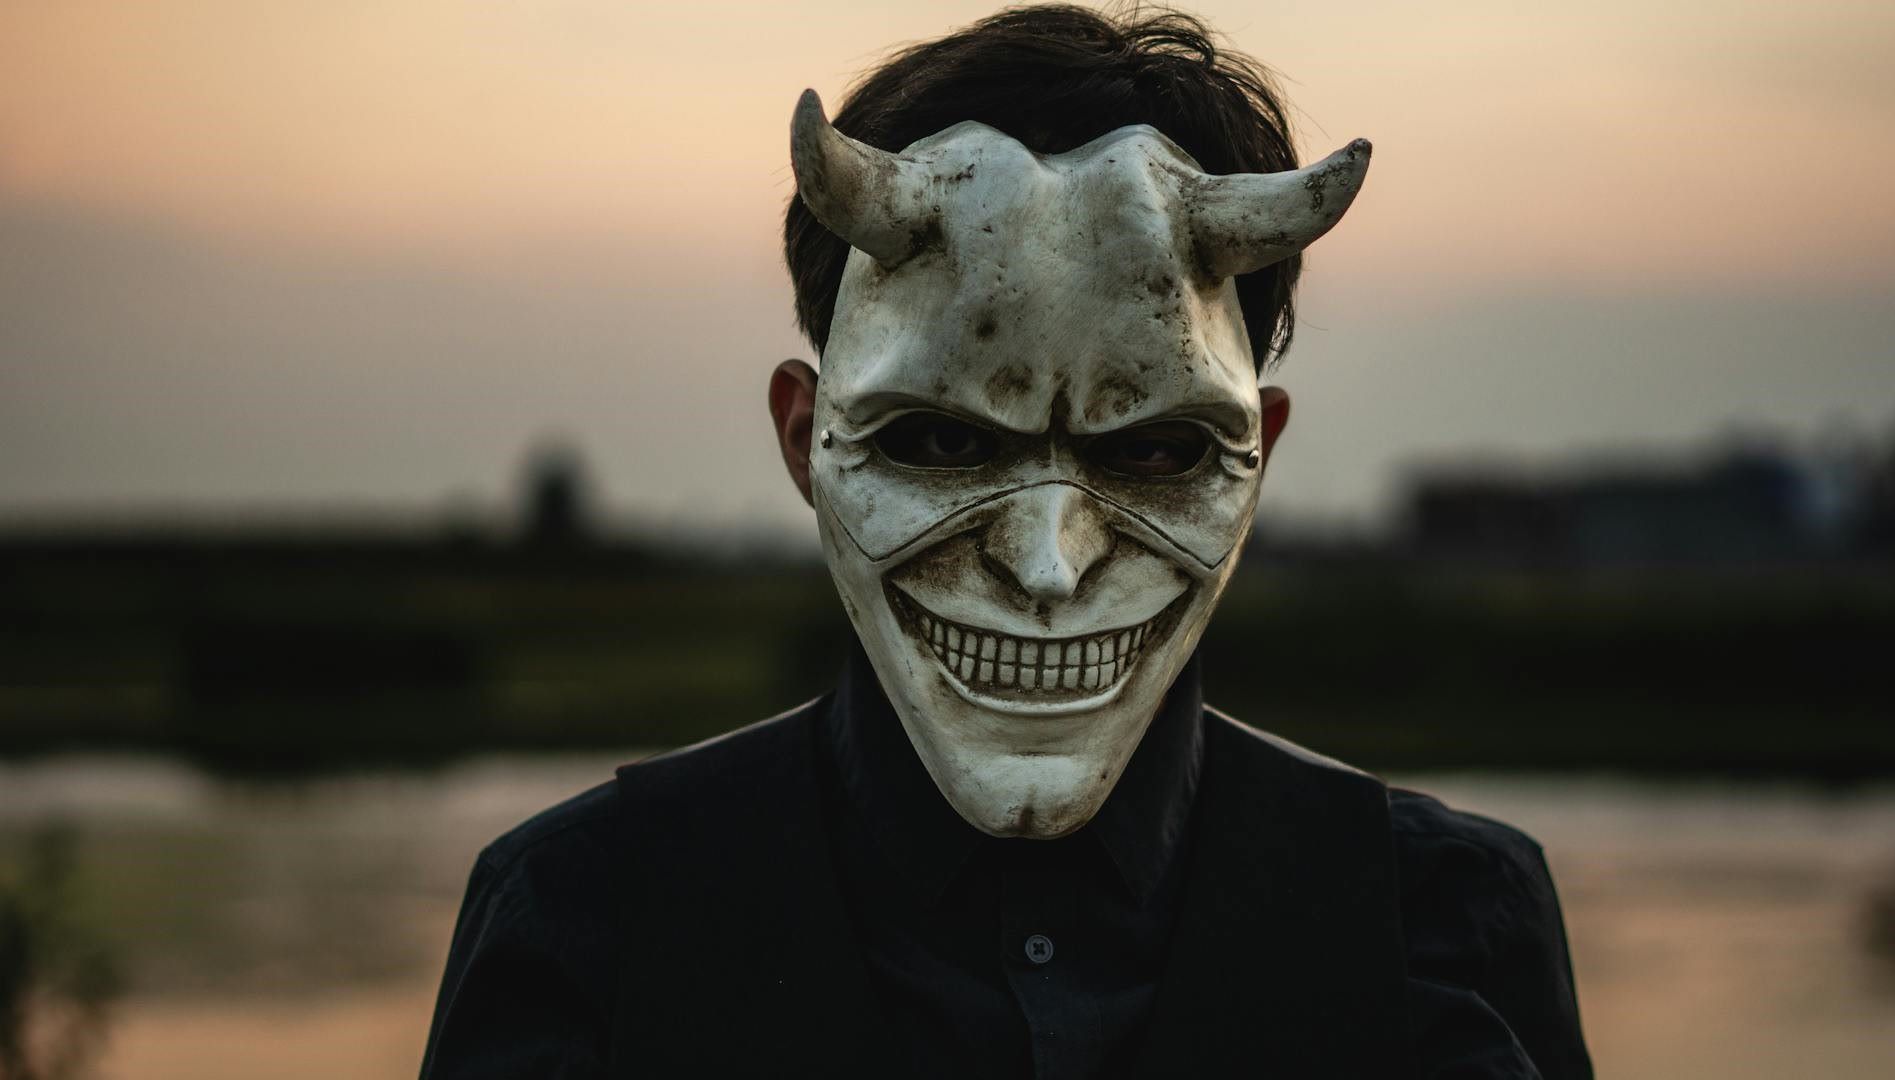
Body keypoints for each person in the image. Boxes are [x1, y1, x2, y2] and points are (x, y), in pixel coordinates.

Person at [420, 6, 1592, 1078]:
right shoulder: (586, 917)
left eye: (1154, 453)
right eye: (936, 443)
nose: (1046, 562)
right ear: (802, 439)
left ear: (1259, 456)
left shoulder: (1444, 923)